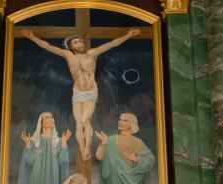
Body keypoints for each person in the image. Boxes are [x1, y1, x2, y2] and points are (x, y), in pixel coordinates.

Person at [20, 28, 140, 161]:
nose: (80, 43)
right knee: (79, 123)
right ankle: (83, 150)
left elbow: (112, 44)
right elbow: (48, 46)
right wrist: (32, 37)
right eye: (76, 42)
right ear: (71, 46)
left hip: (90, 92)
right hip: (77, 92)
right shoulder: (68, 55)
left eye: (81, 41)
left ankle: (87, 147)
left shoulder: (92, 53)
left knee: (84, 120)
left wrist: (128, 35)